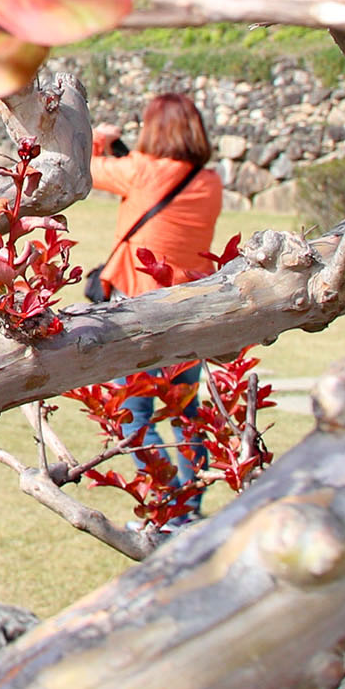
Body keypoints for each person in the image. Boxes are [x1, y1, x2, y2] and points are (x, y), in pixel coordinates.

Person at [89, 94, 225, 512]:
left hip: (138, 309)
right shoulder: (209, 181)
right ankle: (189, 507)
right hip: (189, 308)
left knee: (132, 414)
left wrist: (98, 140)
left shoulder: (142, 171)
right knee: (187, 412)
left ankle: (168, 504)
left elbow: (89, 171)